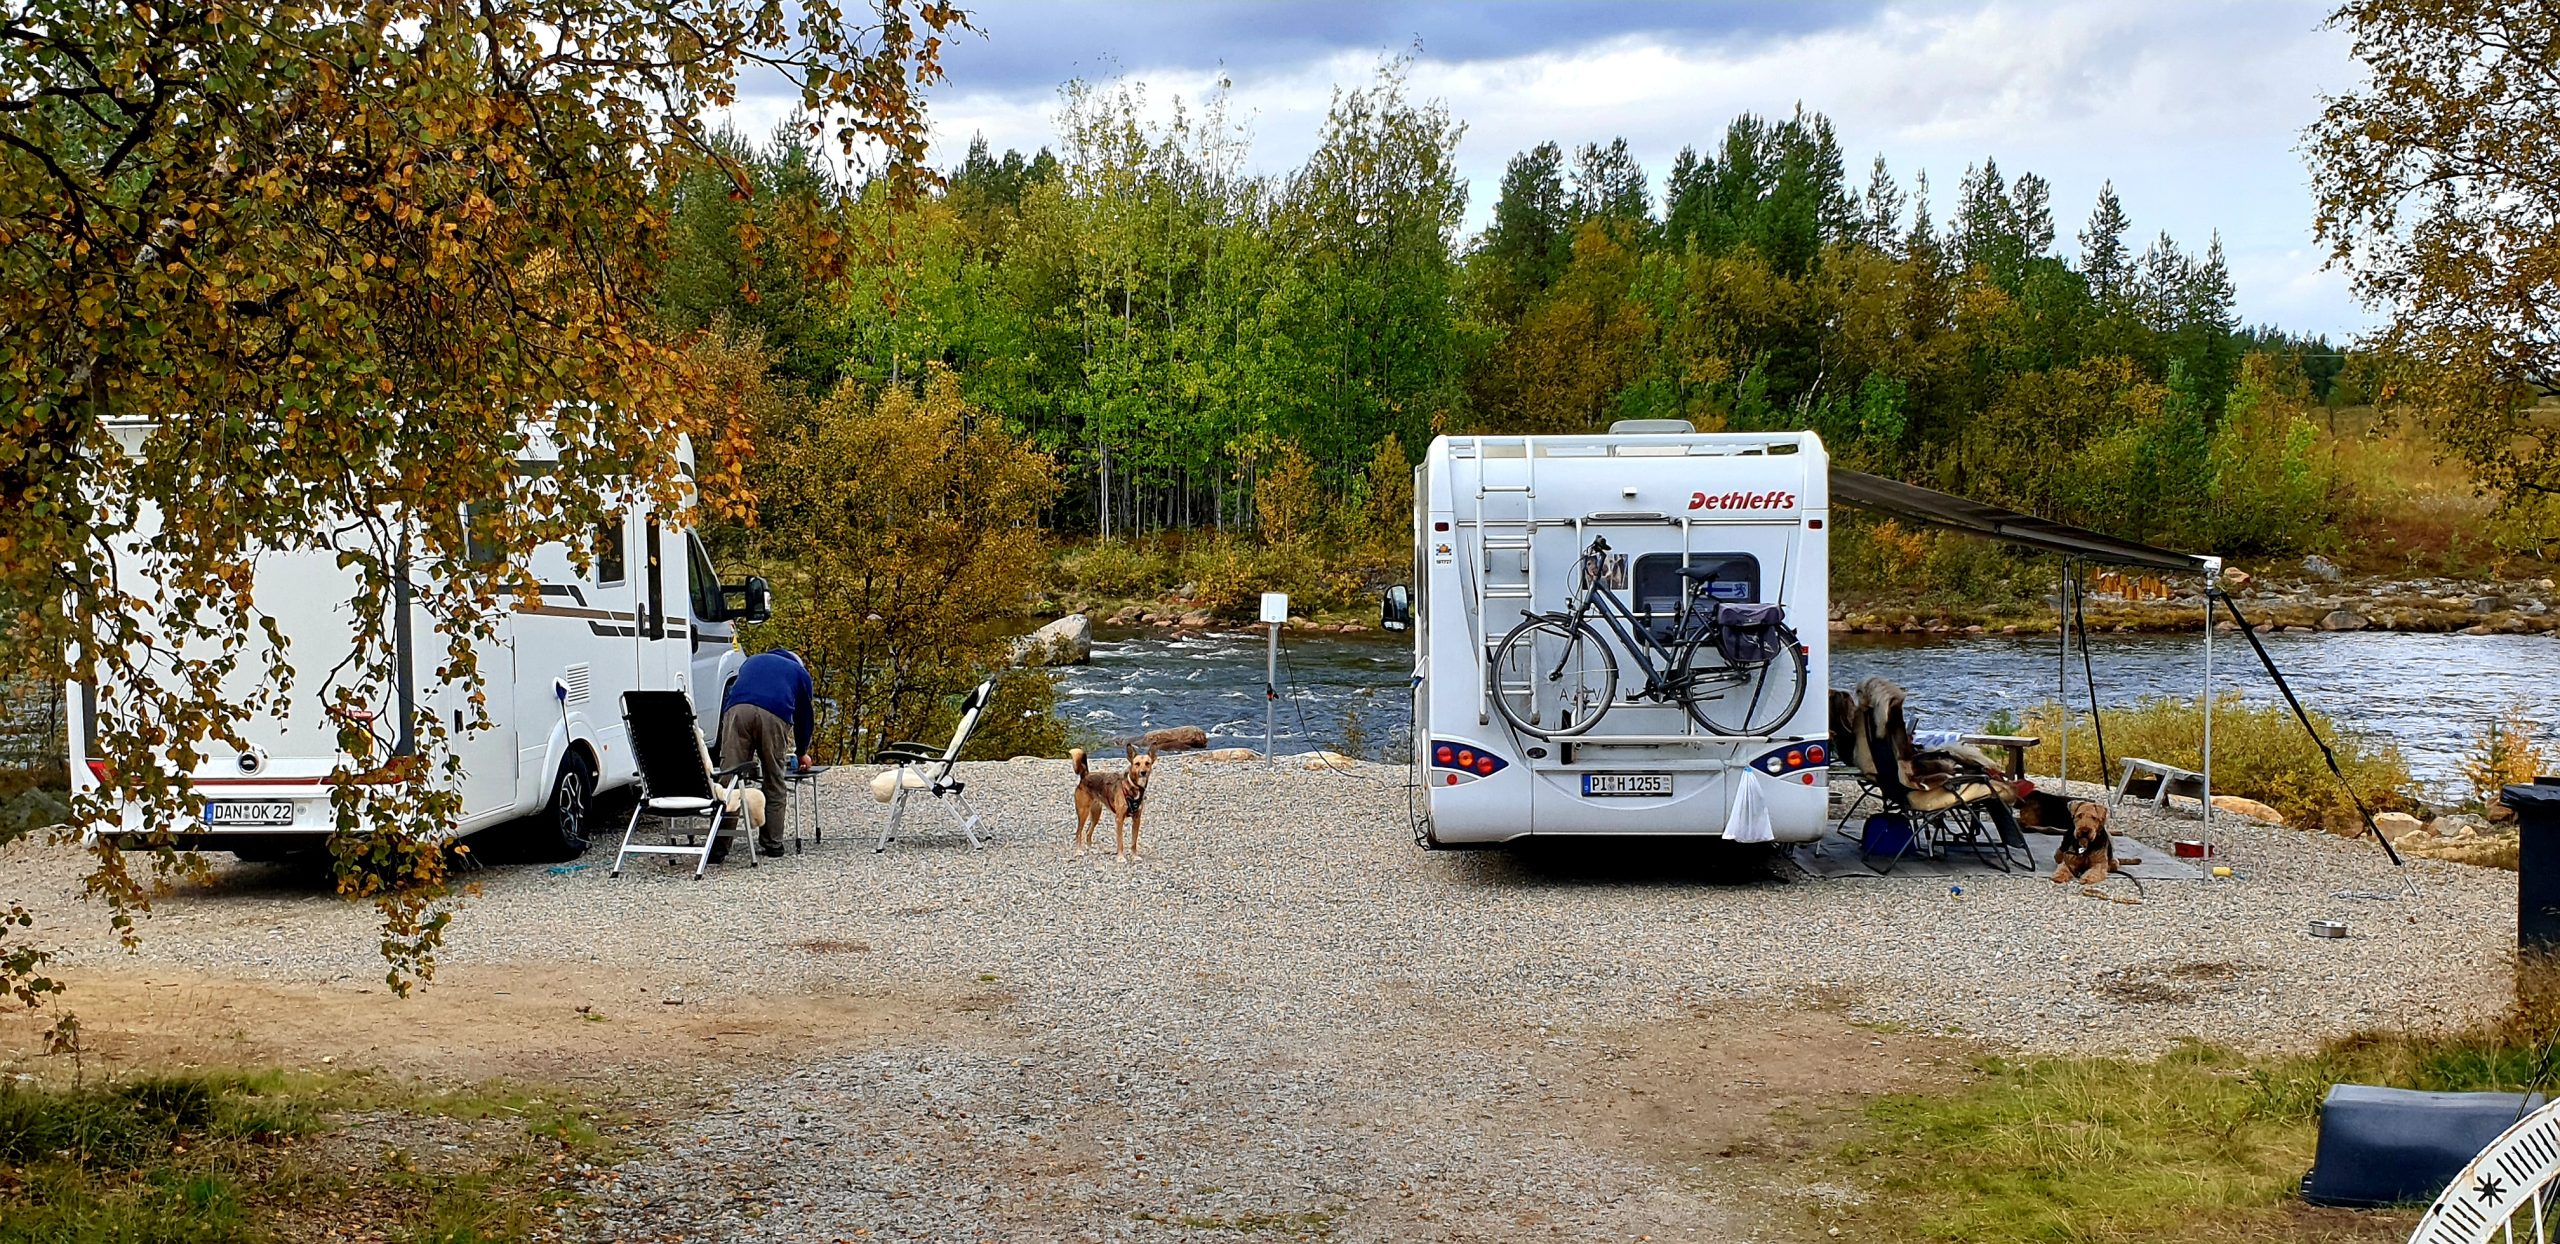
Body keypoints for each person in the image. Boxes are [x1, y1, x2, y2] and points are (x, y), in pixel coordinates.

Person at [718, 648, 814, 858]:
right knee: (774, 778)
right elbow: (805, 718)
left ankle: (718, 846)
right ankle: (772, 843)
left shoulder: (752, 661)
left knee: (729, 779)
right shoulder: (800, 673)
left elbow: (732, 691)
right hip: (774, 714)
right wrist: (802, 752)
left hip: (737, 710)